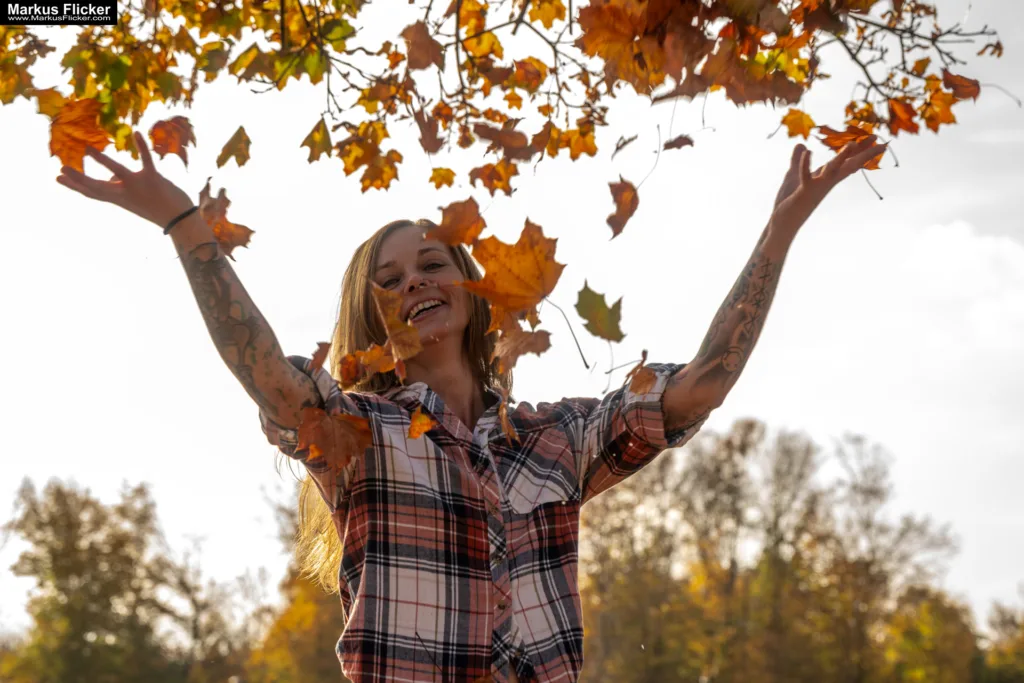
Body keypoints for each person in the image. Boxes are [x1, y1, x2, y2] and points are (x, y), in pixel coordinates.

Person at [57, 130, 886, 683]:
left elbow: (702, 382)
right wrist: (182, 222)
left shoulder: (556, 438)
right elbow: (273, 378)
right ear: (370, 318)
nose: (414, 280)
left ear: (469, 285)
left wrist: (779, 232)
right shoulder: (360, 436)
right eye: (388, 280)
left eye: (430, 262)